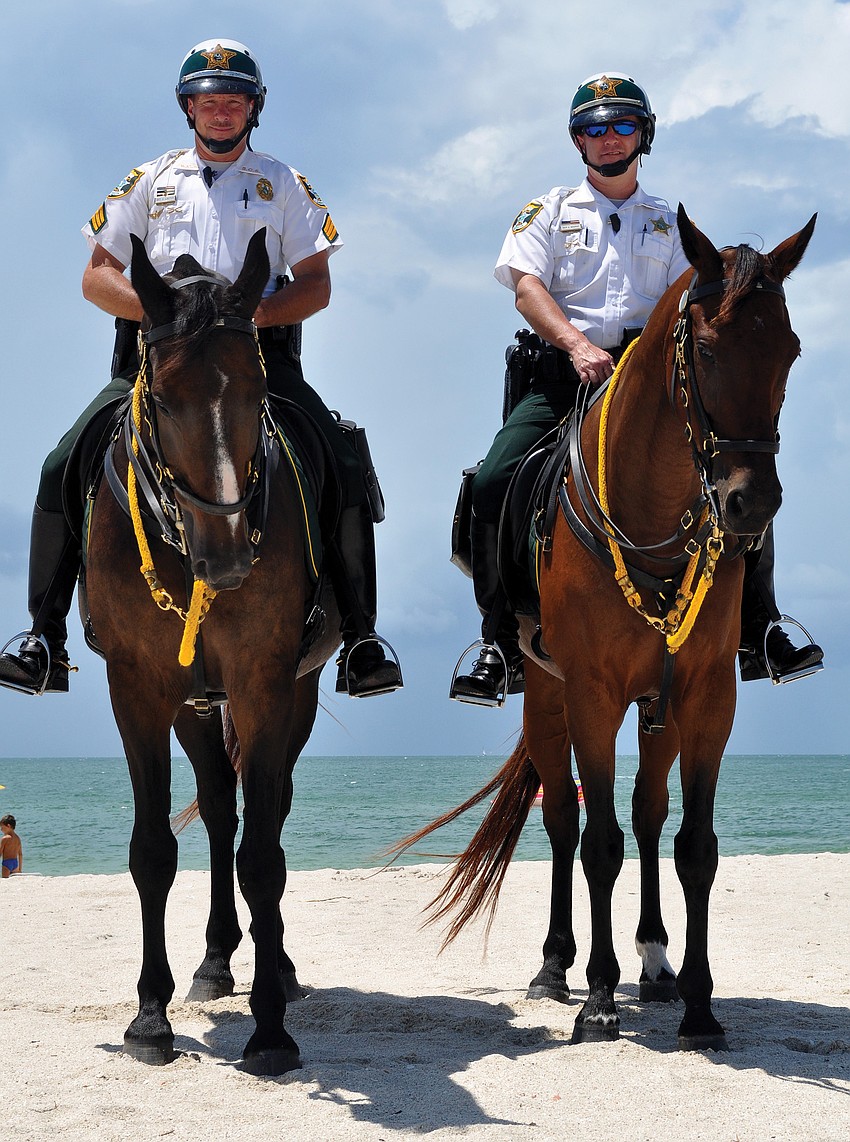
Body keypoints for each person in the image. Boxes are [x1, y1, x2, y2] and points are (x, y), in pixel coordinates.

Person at [0, 38, 402, 701]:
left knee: (344, 459)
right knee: (59, 461)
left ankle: (359, 638)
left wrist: (248, 322)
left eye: (234, 100)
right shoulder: (147, 180)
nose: (221, 112)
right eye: (209, 100)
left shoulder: (287, 185)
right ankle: (44, 637)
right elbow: (95, 278)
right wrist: (167, 328)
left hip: (259, 362)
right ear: (189, 107)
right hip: (158, 366)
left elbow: (317, 284)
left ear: (254, 108)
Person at [450, 72, 823, 705]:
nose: (608, 138)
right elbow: (525, 287)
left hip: (649, 387)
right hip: (561, 375)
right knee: (492, 481)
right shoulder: (548, 211)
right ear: (579, 141)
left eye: (622, 125)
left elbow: (699, 305)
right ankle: (496, 641)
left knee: (737, 472)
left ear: (642, 136)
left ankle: (762, 627)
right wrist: (576, 345)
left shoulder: (674, 226)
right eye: (594, 129)